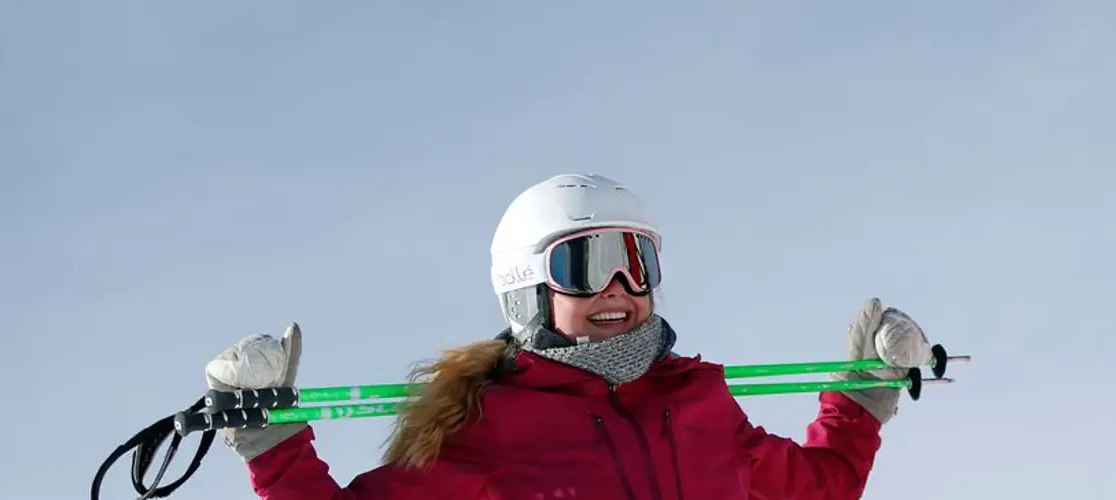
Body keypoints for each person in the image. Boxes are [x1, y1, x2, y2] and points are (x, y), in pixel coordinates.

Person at [201, 173, 934, 499]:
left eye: (636, 259)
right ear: (528, 290)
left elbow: (822, 488)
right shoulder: (491, 426)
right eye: (586, 264)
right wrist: (269, 440)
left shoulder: (703, 403)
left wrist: (867, 393)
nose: (619, 286)